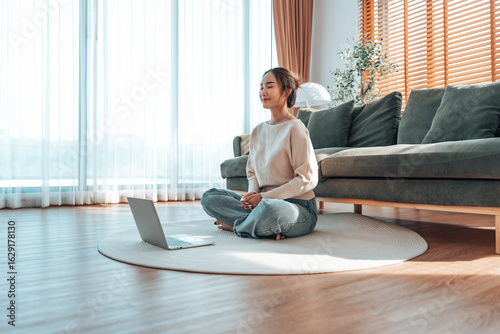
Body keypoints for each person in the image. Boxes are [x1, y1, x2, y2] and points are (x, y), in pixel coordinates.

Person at [201, 67, 318, 240]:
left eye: (269, 86)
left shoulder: (296, 128)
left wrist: (263, 197)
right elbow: (252, 172)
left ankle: (237, 226)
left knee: (270, 211)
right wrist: (251, 197)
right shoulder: (257, 131)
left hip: (296, 207)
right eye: (261, 87)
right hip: (260, 204)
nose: (263, 92)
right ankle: (257, 225)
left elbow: (306, 180)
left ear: (286, 91)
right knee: (209, 197)